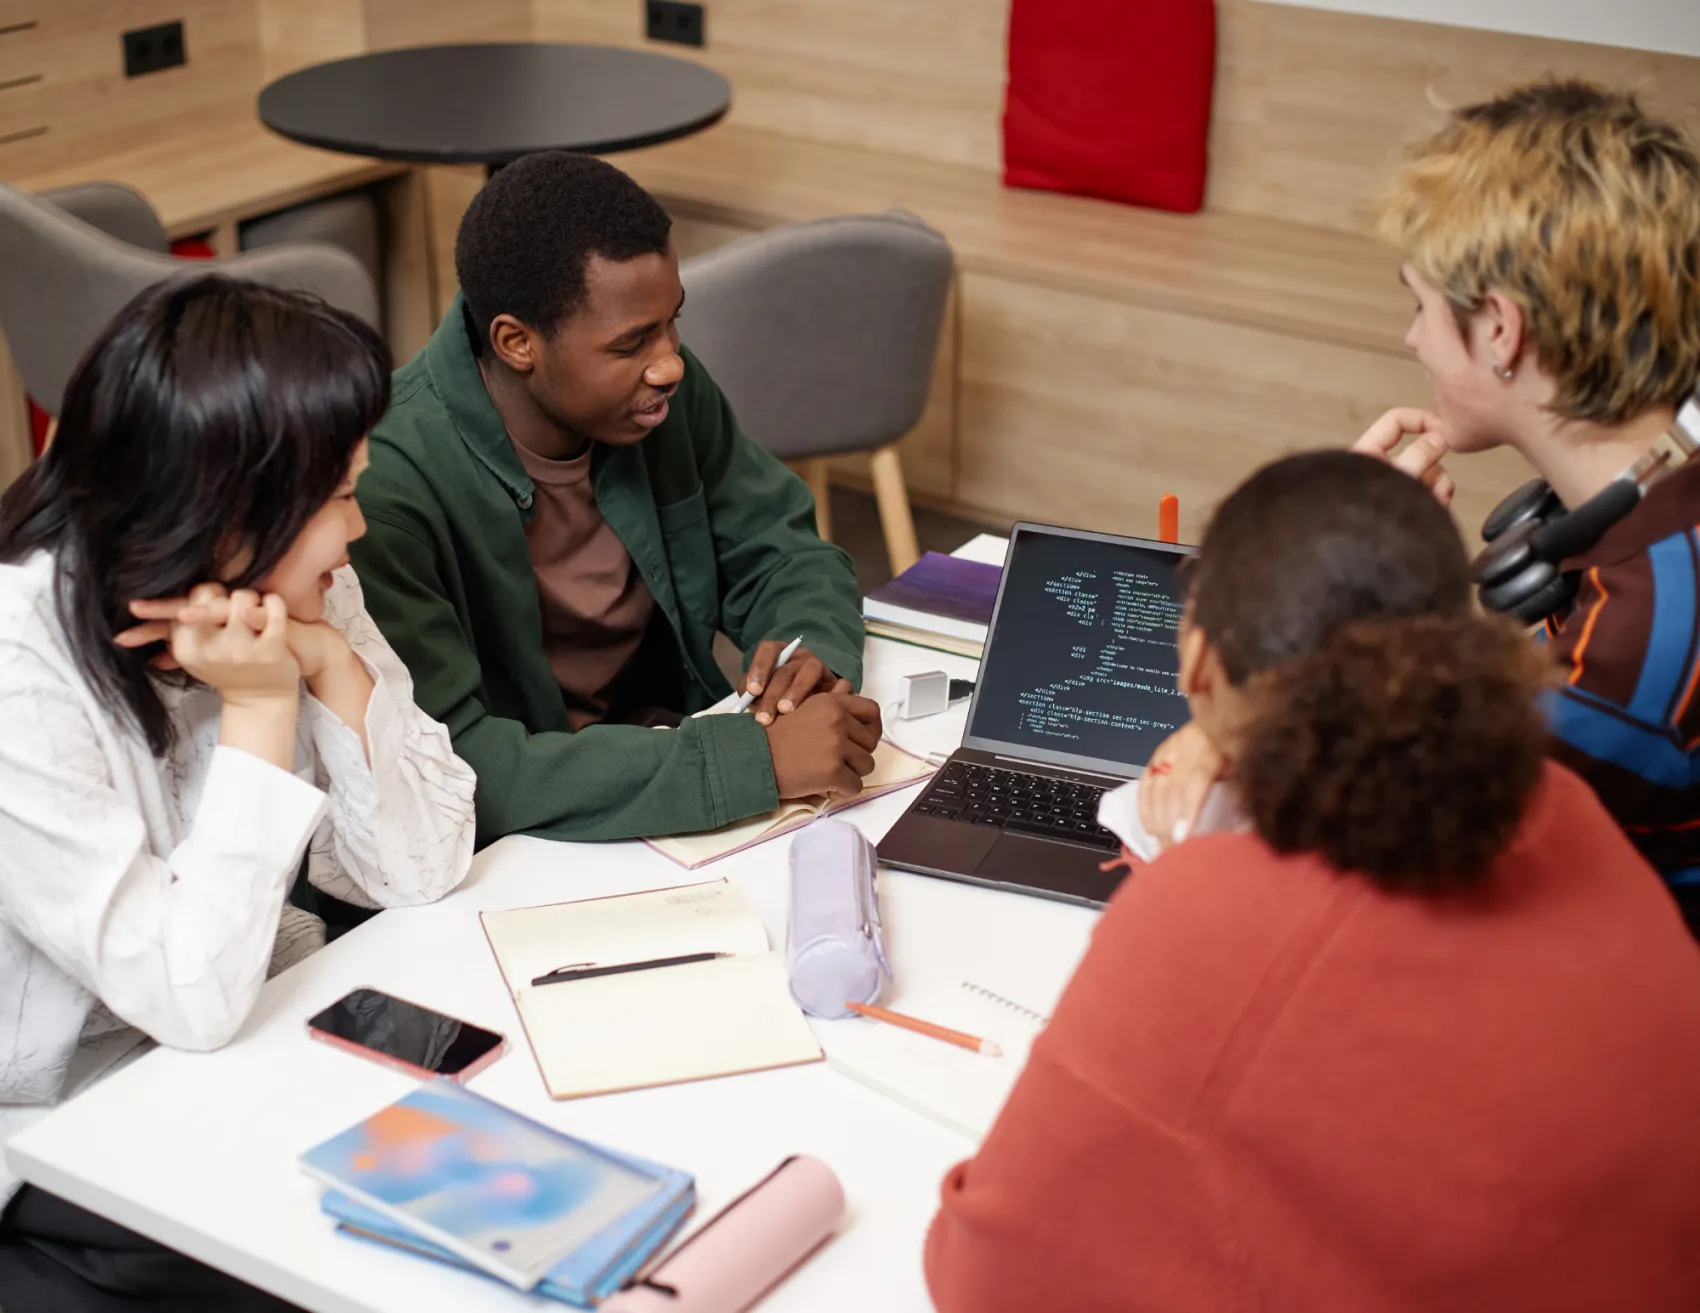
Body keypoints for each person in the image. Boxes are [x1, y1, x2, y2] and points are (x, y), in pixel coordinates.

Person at [925, 452, 1700, 1313]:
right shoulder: (1568, 809)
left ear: (1197, 662)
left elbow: (984, 1274)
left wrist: (1185, 875)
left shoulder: (1211, 920)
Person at [0, 275, 477, 1310]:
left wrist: (335, 670)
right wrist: (263, 710)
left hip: (252, 1032)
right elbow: (186, 1001)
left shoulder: (289, 580)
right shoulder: (18, 665)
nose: (355, 528)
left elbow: (419, 868)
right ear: (224, 517)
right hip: (65, 1119)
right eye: (338, 495)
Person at [1146, 81, 1700, 931]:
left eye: (1421, 305)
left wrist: (1241, 707)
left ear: (1503, 332)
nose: (1411, 339)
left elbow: (1401, 871)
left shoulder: (1632, 649)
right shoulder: (1642, 498)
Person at [346, 151, 882, 848]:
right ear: (516, 343)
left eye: (672, 323)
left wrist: (811, 649)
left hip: (661, 769)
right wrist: (752, 761)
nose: (670, 363)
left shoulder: (657, 400)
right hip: (518, 847)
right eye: (631, 343)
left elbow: (783, 550)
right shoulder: (381, 486)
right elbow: (456, 763)